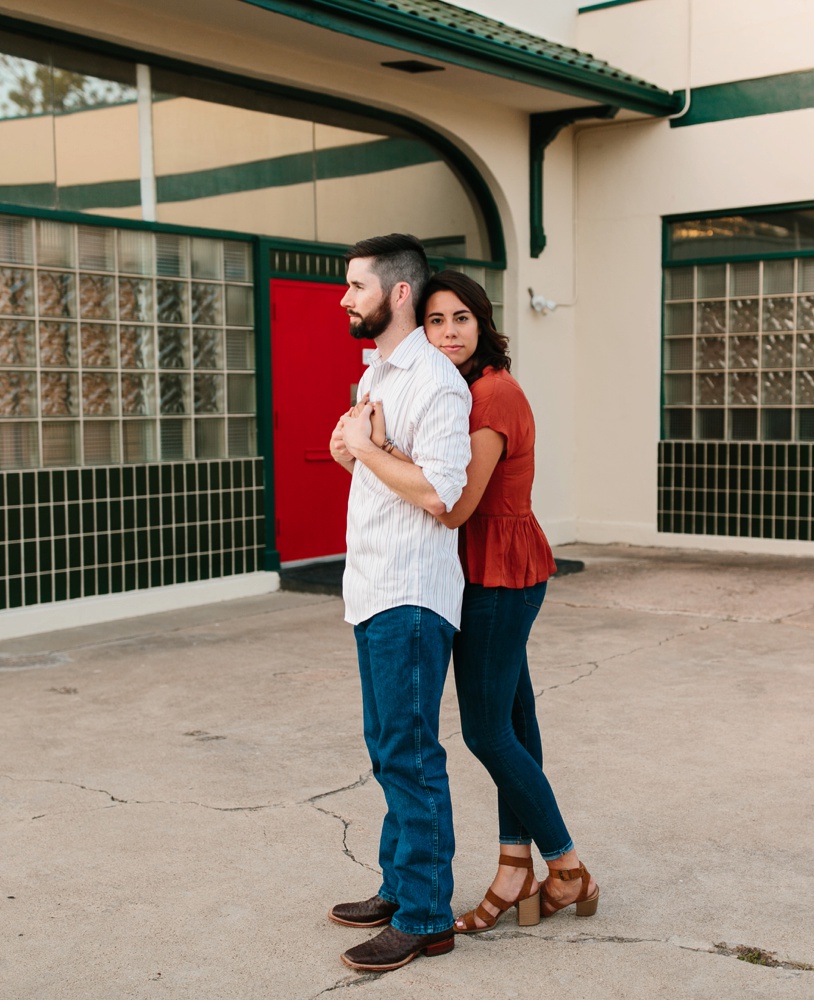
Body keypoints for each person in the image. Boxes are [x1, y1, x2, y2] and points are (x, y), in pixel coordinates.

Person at [364, 270, 598, 935]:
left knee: (484, 730)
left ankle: (569, 867)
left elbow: (456, 505)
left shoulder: (492, 394)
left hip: (499, 573)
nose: (447, 333)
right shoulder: (461, 392)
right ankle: (514, 866)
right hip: (482, 571)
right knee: (515, 723)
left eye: (459, 319)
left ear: (484, 323)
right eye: (434, 322)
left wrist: (376, 450)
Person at [325, 234, 472, 972]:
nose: (345, 297)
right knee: (388, 752)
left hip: (412, 595)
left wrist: (374, 451)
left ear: (399, 292)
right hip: (374, 588)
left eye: (357, 284)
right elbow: (369, 464)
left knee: (411, 757)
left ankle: (424, 916)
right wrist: (351, 445)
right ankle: (397, 884)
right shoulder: (376, 373)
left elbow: (444, 497)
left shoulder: (437, 382)